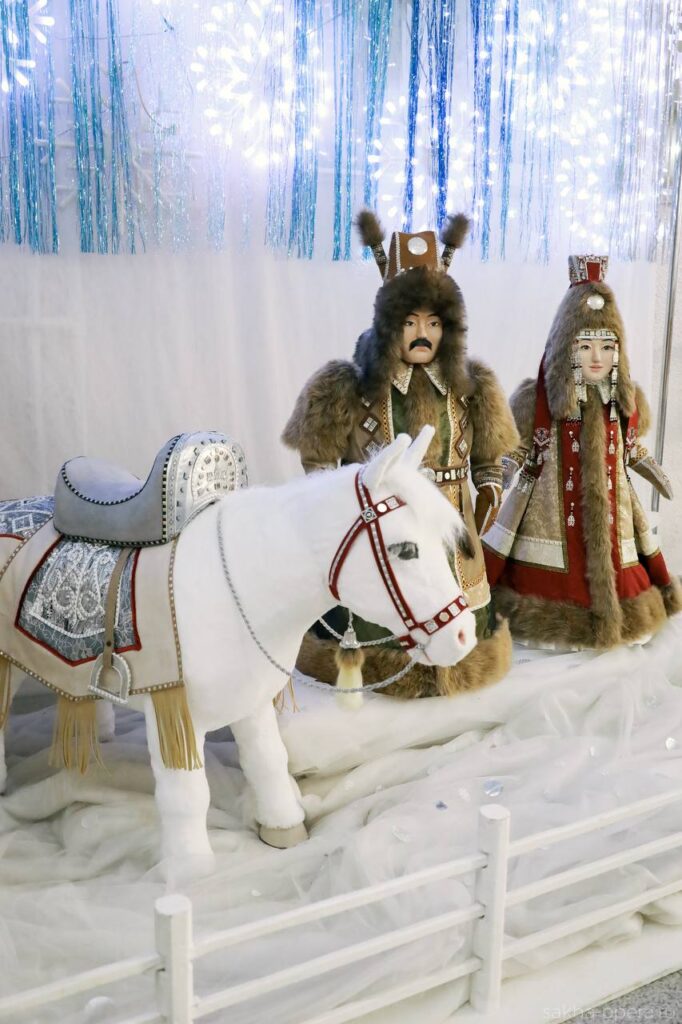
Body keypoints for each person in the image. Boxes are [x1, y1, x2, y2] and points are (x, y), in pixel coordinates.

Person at [282, 212, 519, 697]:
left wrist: (490, 486)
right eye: (409, 322)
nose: (422, 333)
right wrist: (337, 507)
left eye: (433, 323)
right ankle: (377, 661)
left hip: (453, 521)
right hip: (383, 525)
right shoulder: (348, 386)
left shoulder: (471, 387)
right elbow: (319, 467)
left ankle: (458, 653)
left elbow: (488, 455)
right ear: (390, 327)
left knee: (454, 605)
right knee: (386, 597)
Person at [483, 254, 681, 649]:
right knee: (557, 569)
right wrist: (501, 470)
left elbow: (629, 447)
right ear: (565, 349)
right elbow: (519, 447)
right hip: (551, 512)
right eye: (585, 346)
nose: (596, 357)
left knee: (626, 554)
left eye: (607, 347)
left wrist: (649, 466)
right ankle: (556, 618)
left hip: (613, 505)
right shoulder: (538, 401)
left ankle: (623, 612)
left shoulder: (623, 402)